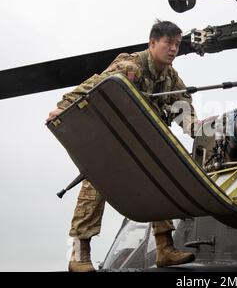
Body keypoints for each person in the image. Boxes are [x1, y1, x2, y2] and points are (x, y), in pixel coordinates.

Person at [47, 20, 197, 272]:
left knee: (162, 181)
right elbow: (94, 85)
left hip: (141, 144)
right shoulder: (131, 66)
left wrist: (196, 126)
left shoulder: (170, 77)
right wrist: (63, 107)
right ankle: (78, 257)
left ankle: (165, 249)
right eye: (168, 43)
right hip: (110, 142)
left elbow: (182, 104)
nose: (173, 49)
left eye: (177, 45)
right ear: (152, 43)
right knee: (93, 192)